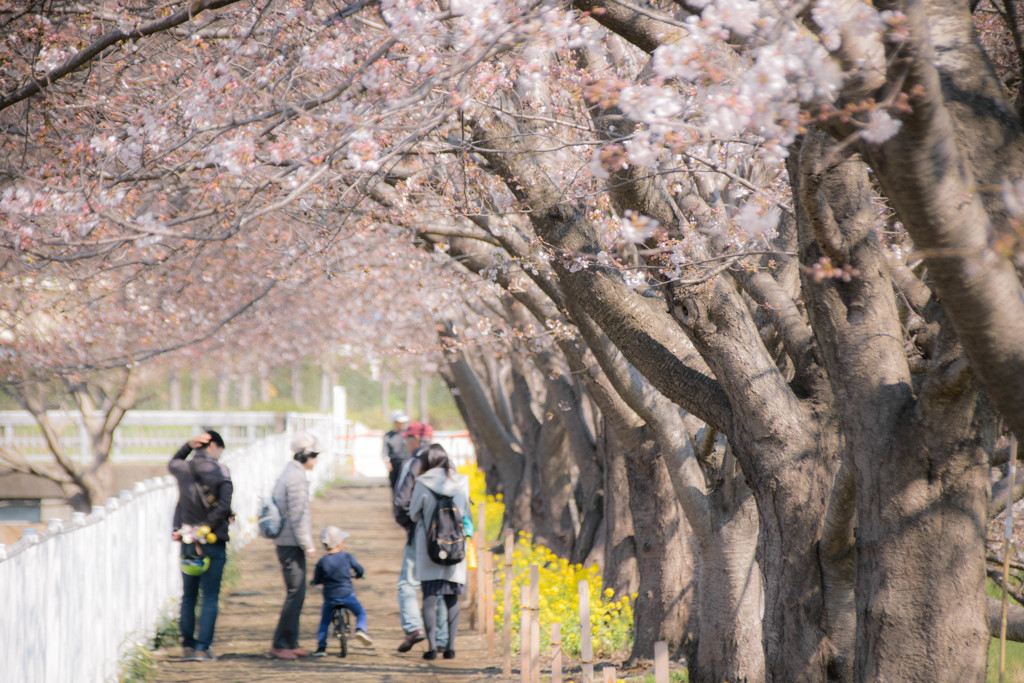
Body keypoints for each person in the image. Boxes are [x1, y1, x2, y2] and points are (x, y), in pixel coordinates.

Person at [168, 430, 233, 662]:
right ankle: (202, 648)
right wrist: (206, 526)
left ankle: (187, 646)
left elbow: (173, 462)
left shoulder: (183, 469)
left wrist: (187, 445)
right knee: (210, 596)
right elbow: (224, 505)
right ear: (214, 446)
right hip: (212, 541)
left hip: (187, 540)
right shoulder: (220, 470)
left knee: (189, 596)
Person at [409, 444, 470, 660]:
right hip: (455, 546)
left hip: (430, 548)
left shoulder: (422, 483)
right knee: (452, 597)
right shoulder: (462, 481)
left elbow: (414, 514)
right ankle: (450, 647)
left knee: (430, 597)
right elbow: (466, 514)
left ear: (426, 462)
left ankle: (432, 647)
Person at [392, 421, 447, 653]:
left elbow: (401, 503)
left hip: (420, 534)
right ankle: (444, 638)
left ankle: (414, 627)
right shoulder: (446, 462)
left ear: (416, 439)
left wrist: (411, 526)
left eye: (407, 438)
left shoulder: (413, 463)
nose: (405, 442)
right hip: (447, 537)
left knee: (408, 583)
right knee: (444, 586)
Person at [269, 432, 320, 660]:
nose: (317, 460)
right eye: (315, 455)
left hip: (288, 541)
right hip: (291, 543)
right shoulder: (296, 478)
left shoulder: (291, 472)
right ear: (305, 455)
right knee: (295, 594)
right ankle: (281, 645)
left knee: (297, 593)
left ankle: (291, 642)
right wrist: (307, 544)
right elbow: (299, 515)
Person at [311, 525, 373, 656]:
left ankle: (321, 648)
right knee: (360, 612)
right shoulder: (347, 557)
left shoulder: (322, 561)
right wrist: (360, 574)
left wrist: (315, 582)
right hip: (347, 594)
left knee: (324, 622)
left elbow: (317, 578)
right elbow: (359, 569)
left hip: (330, 596)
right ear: (340, 543)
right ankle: (361, 629)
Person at [382, 410, 411, 489]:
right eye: (400, 422)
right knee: (395, 487)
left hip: (408, 463)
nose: (402, 424)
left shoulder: (408, 434)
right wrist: (387, 461)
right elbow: (385, 450)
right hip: (394, 465)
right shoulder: (388, 435)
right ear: (395, 422)